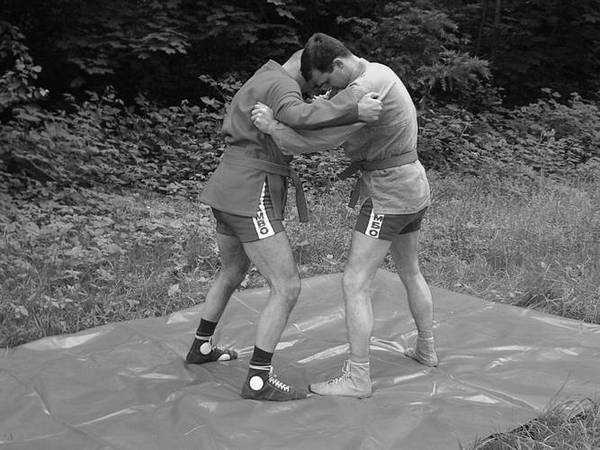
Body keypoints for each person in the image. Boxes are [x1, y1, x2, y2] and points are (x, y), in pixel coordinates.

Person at [184, 49, 383, 402]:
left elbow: (296, 115)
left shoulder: (264, 75)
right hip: (250, 190)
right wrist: (355, 110)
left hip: (228, 186)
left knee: (231, 271)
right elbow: (298, 115)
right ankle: (258, 380)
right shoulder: (282, 85)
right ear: (308, 69)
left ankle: (201, 346)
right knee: (287, 286)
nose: (315, 90)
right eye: (317, 82)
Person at [251, 33, 438, 399]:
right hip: (412, 186)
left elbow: (320, 141)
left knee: (355, 282)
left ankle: (358, 377)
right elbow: (331, 115)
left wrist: (273, 127)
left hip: (389, 192)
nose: (327, 89)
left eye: (326, 80)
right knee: (410, 270)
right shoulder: (377, 72)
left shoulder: (364, 88)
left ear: (338, 64)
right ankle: (427, 348)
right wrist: (326, 105)